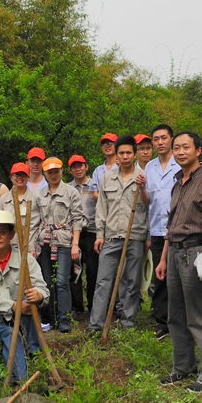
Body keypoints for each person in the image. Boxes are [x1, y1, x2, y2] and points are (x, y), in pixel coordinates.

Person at [155, 131, 202, 393]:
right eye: (176, 148)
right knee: (176, 316)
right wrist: (163, 259)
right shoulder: (177, 182)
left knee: (199, 316)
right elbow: (171, 225)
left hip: (195, 252)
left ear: (199, 150)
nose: (180, 151)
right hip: (174, 252)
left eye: (186, 147)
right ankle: (182, 367)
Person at [0, 210, 49, 384]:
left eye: (2, 232)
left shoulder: (26, 259)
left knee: (32, 303)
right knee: (10, 334)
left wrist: (39, 295)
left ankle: (36, 358)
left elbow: (42, 287)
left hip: (22, 316)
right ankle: (21, 380)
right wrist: (13, 306)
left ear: (12, 234)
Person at [88, 136, 149, 333]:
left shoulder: (143, 176)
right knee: (103, 281)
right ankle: (95, 325)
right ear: (116, 154)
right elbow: (102, 208)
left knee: (131, 282)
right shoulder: (107, 177)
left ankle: (128, 322)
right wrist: (100, 234)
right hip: (111, 236)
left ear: (135, 154)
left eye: (128, 153)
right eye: (121, 153)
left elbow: (149, 206)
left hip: (135, 236)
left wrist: (143, 188)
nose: (125, 157)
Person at [32, 157, 83, 332]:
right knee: (47, 281)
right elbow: (34, 222)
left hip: (64, 242)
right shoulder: (39, 194)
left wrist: (75, 244)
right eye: (50, 172)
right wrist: (32, 246)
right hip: (44, 242)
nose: (53, 175)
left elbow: (77, 219)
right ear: (45, 174)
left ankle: (64, 319)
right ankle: (51, 317)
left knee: (62, 280)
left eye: (56, 171)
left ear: (62, 171)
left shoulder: (70, 192)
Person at [140, 124, 180, 340]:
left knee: (181, 275)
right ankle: (163, 322)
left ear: (171, 139)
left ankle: (181, 320)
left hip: (180, 229)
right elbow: (147, 202)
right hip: (156, 229)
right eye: (156, 139)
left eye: (164, 138)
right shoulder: (150, 168)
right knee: (160, 275)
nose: (160, 142)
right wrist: (141, 189)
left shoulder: (180, 163)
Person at [68, 154, 98, 314]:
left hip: (92, 232)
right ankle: (76, 306)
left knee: (93, 271)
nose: (77, 169)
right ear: (70, 170)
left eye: (80, 165)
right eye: (74, 167)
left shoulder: (95, 184)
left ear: (86, 166)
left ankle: (93, 305)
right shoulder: (68, 188)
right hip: (74, 234)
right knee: (74, 271)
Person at [90, 133, 118, 201]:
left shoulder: (123, 167)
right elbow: (95, 194)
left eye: (111, 143)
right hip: (101, 209)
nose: (107, 146)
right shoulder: (97, 170)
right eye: (104, 144)